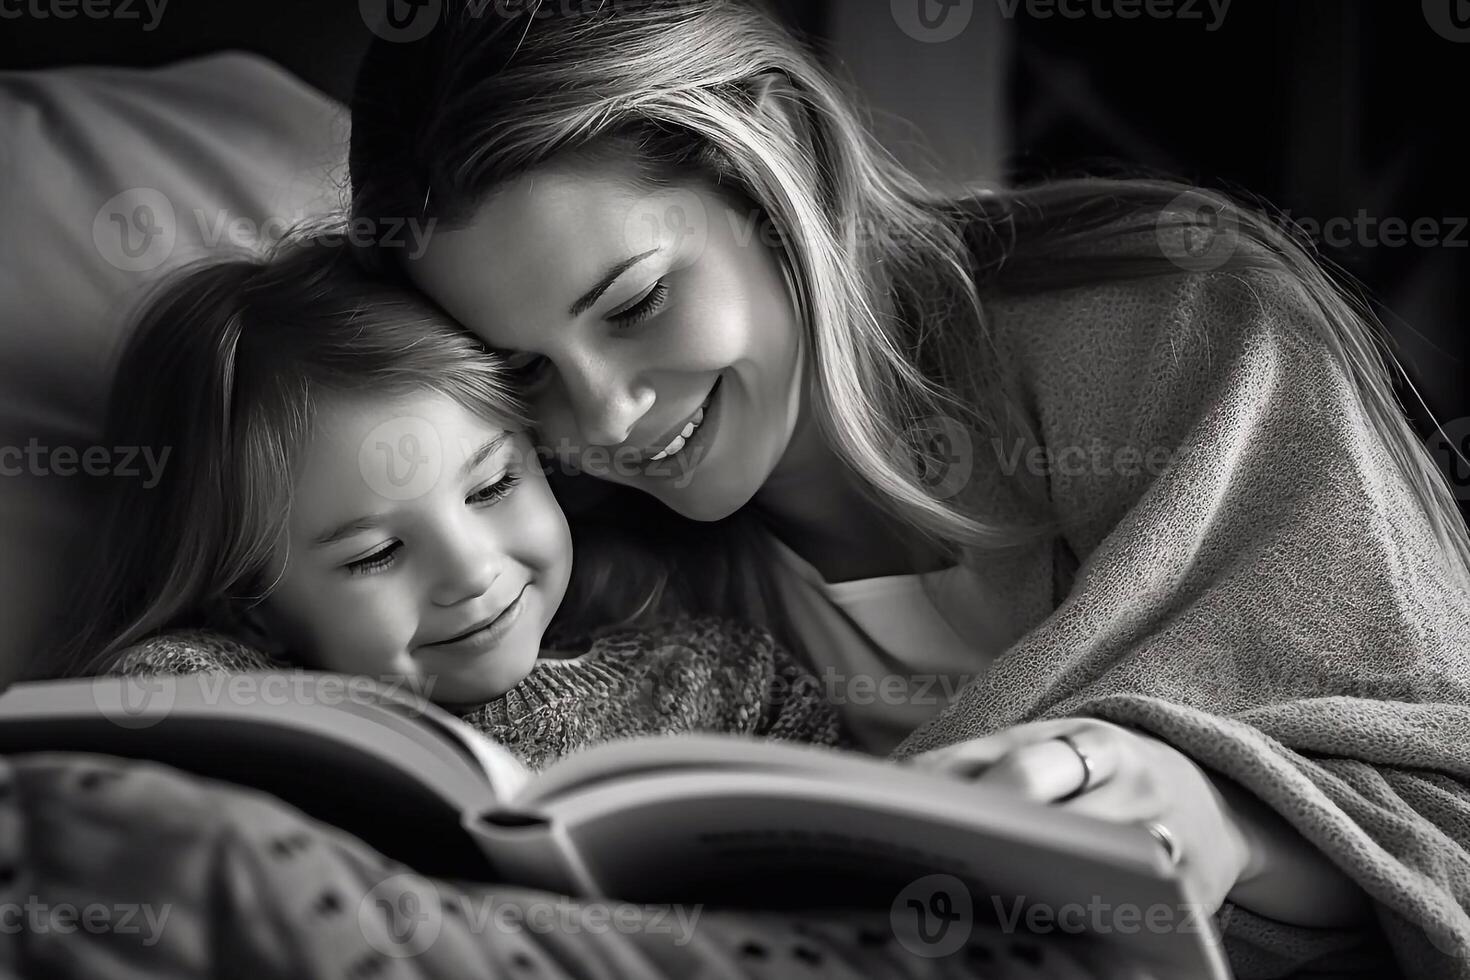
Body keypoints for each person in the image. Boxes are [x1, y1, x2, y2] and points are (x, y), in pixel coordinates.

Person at [345, 1, 1470, 975]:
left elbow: (1444, 813)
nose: (602, 419)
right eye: (526, 370)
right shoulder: (555, 564)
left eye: (636, 304)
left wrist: (1217, 820)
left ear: (766, 162)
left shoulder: (1181, 323)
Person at [49, 221, 845, 770]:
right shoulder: (244, 702)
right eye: (376, 554)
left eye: (495, 485)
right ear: (250, 608)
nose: (470, 571)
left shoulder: (719, 678)